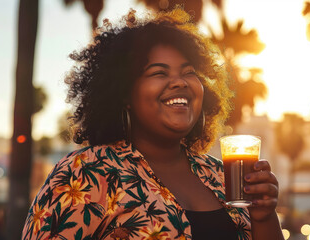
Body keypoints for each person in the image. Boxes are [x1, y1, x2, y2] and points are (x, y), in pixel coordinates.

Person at [22, 7, 284, 240]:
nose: (180, 82)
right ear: (124, 94)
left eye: (189, 72)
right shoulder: (85, 174)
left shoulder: (220, 175)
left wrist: (264, 216)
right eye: (159, 72)